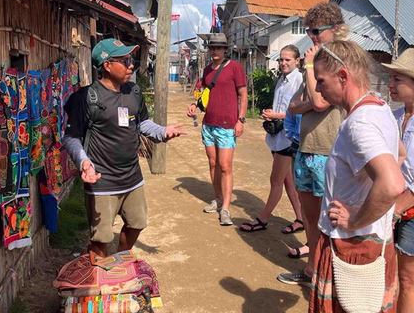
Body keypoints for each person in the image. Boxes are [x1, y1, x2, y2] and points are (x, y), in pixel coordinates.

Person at [63, 39, 187, 258]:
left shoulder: (134, 92)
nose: (131, 65)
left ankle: (120, 262)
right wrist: (84, 162)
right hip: (102, 180)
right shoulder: (86, 98)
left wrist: (162, 132)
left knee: (137, 223)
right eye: (125, 60)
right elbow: (71, 138)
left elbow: (142, 124)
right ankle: (97, 280)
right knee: (100, 239)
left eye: (131, 59)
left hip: (132, 177)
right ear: (107, 65)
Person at [308, 40, 403, 312]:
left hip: (351, 247)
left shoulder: (359, 124)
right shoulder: (381, 109)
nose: (317, 88)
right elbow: (401, 156)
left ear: (343, 76)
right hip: (372, 243)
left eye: (321, 80)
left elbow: (392, 183)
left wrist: (355, 220)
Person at [277, 2, 347, 286]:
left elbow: (318, 101)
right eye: (309, 30)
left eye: (316, 31)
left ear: (336, 29)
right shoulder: (317, 61)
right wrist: (310, 103)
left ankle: (330, 275)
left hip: (328, 149)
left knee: (330, 218)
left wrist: (308, 67)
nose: (312, 36)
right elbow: (294, 106)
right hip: (307, 146)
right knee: (308, 215)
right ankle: (311, 271)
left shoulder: (341, 58)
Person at [240, 45, 303, 234]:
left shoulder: (300, 81)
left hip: (288, 139)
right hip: (277, 136)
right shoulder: (282, 80)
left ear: (297, 61)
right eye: (281, 60)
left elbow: (299, 111)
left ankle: (263, 218)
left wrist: (277, 114)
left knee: (276, 179)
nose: (283, 63)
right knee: (287, 181)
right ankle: (300, 218)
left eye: (287, 60)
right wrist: (271, 114)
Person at [187, 33, 248, 226]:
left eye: (218, 48)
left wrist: (241, 120)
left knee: (225, 166)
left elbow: (243, 96)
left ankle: (226, 209)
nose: (215, 51)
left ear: (225, 50)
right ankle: (218, 199)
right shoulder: (206, 71)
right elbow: (204, 92)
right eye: (212, 47)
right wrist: (194, 106)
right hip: (209, 123)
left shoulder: (235, 68)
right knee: (213, 163)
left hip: (228, 124)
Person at [383, 47, 414, 312]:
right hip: (393, 209)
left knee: (407, 278)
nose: (390, 84)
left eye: (398, 80)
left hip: (407, 211)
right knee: (393, 275)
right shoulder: (392, 118)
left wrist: (393, 211)